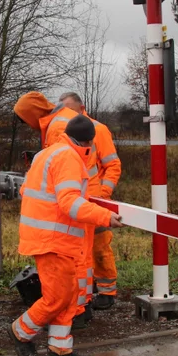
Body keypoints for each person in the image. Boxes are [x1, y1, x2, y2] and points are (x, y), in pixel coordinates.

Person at [10, 115, 123, 356]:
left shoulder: (47, 153)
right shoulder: (70, 158)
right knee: (58, 298)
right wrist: (105, 216)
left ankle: (60, 351)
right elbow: (69, 202)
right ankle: (20, 332)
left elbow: (25, 190)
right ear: (89, 143)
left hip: (49, 237)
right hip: (54, 240)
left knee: (68, 295)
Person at [13, 91, 95, 321]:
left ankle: (76, 310)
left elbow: (61, 166)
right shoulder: (60, 121)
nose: (25, 124)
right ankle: (76, 309)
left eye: (24, 118)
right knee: (79, 256)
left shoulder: (58, 127)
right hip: (78, 196)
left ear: (33, 114)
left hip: (72, 201)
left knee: (74, 258)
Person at [59, 92, 122, 310]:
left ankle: (107, 291)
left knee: (99, 247)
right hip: (75, 200)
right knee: (79, 249)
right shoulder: (65, 134)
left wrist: (103, 194)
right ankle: (88, 289)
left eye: (69, 109)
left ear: (81, 107)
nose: (66, 114)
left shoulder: (98, 130)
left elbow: (112, 165)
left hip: (94, 200)